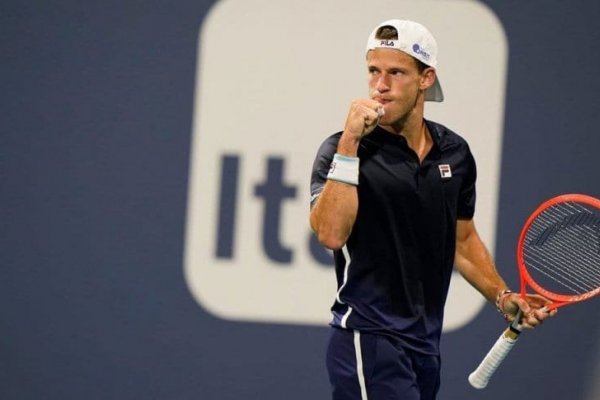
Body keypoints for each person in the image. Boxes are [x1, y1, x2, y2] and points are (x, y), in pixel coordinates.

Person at [309, 19, 555, 400]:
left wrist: (503, 297)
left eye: (396, 73)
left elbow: (462, 240)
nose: (380, 86)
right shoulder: (342, 150)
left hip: (424, 346)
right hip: (367, 336)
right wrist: (350, 141)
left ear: (426, 78)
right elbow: (330, 234)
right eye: (373, 71)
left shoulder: (454, 153)